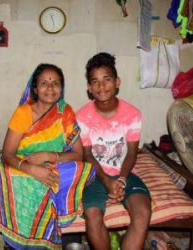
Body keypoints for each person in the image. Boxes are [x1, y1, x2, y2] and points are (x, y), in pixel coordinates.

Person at [0, 63, 95, 250]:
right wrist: (32, 169)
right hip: (23, 164)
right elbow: (7, 154)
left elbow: (78, 154)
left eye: (55, 83)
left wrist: (49, 155)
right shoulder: (23, 112)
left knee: (82, 169)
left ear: (61, 88)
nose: (50, 88)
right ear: (35, 88)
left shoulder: (65, 112)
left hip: (53, 163)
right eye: (44, 83)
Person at [76, 52, 151, 250]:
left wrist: (121, 180)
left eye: (107, 80)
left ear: (117, 82)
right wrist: (107, 182)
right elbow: (88, 155)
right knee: (92, 215)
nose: (101, 86)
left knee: (142, 212)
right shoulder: (82, 116)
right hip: (96, 175)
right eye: (95, 82)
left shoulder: (132, 114)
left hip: (124, 174)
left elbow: (132, 154)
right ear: (89, 88)